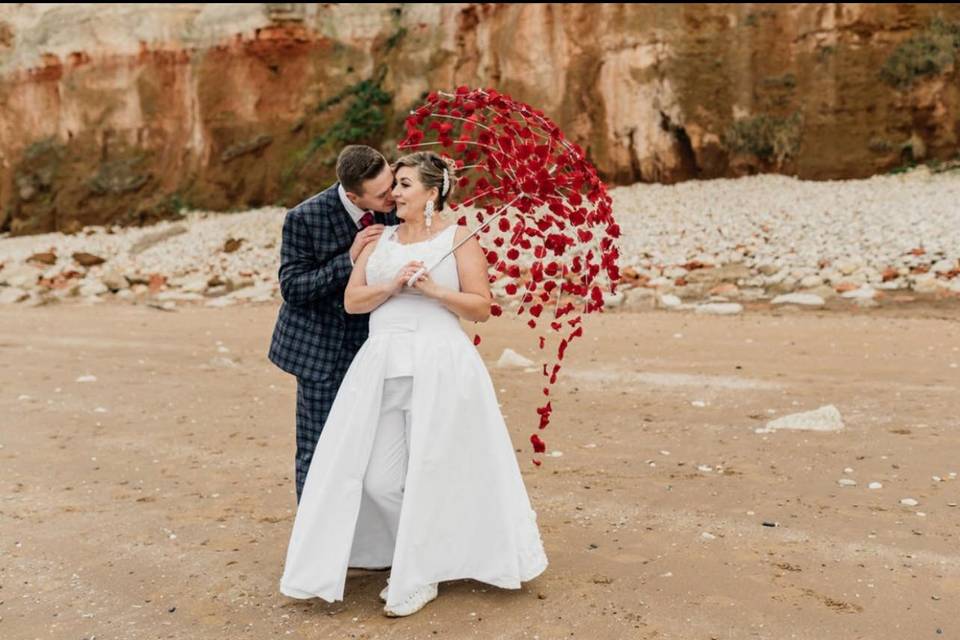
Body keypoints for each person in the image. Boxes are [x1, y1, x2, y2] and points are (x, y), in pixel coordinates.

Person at [279, 151, 548, 617]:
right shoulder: (376, 239)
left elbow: (481, 306)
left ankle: (418, 573)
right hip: (382, 364)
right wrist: (391, 286)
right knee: (380, 480)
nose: (393, 195)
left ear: (431, 191)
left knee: (435, 469)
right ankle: (410, 555)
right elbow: (353, 301)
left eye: (402, 185)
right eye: (392, 185)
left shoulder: (460, 237)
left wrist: (434, 291)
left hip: (441, 364)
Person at [268, 145, 399, 503]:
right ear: (353, 195)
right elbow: (293, 289)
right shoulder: (304, 217)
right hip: (319, 349)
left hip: (373, 344)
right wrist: (349, 258)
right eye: (383, 193)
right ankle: (314, 541)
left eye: (393, 184)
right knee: (320, 445)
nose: (393, 196)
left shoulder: (396, 204)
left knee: (376, 444)